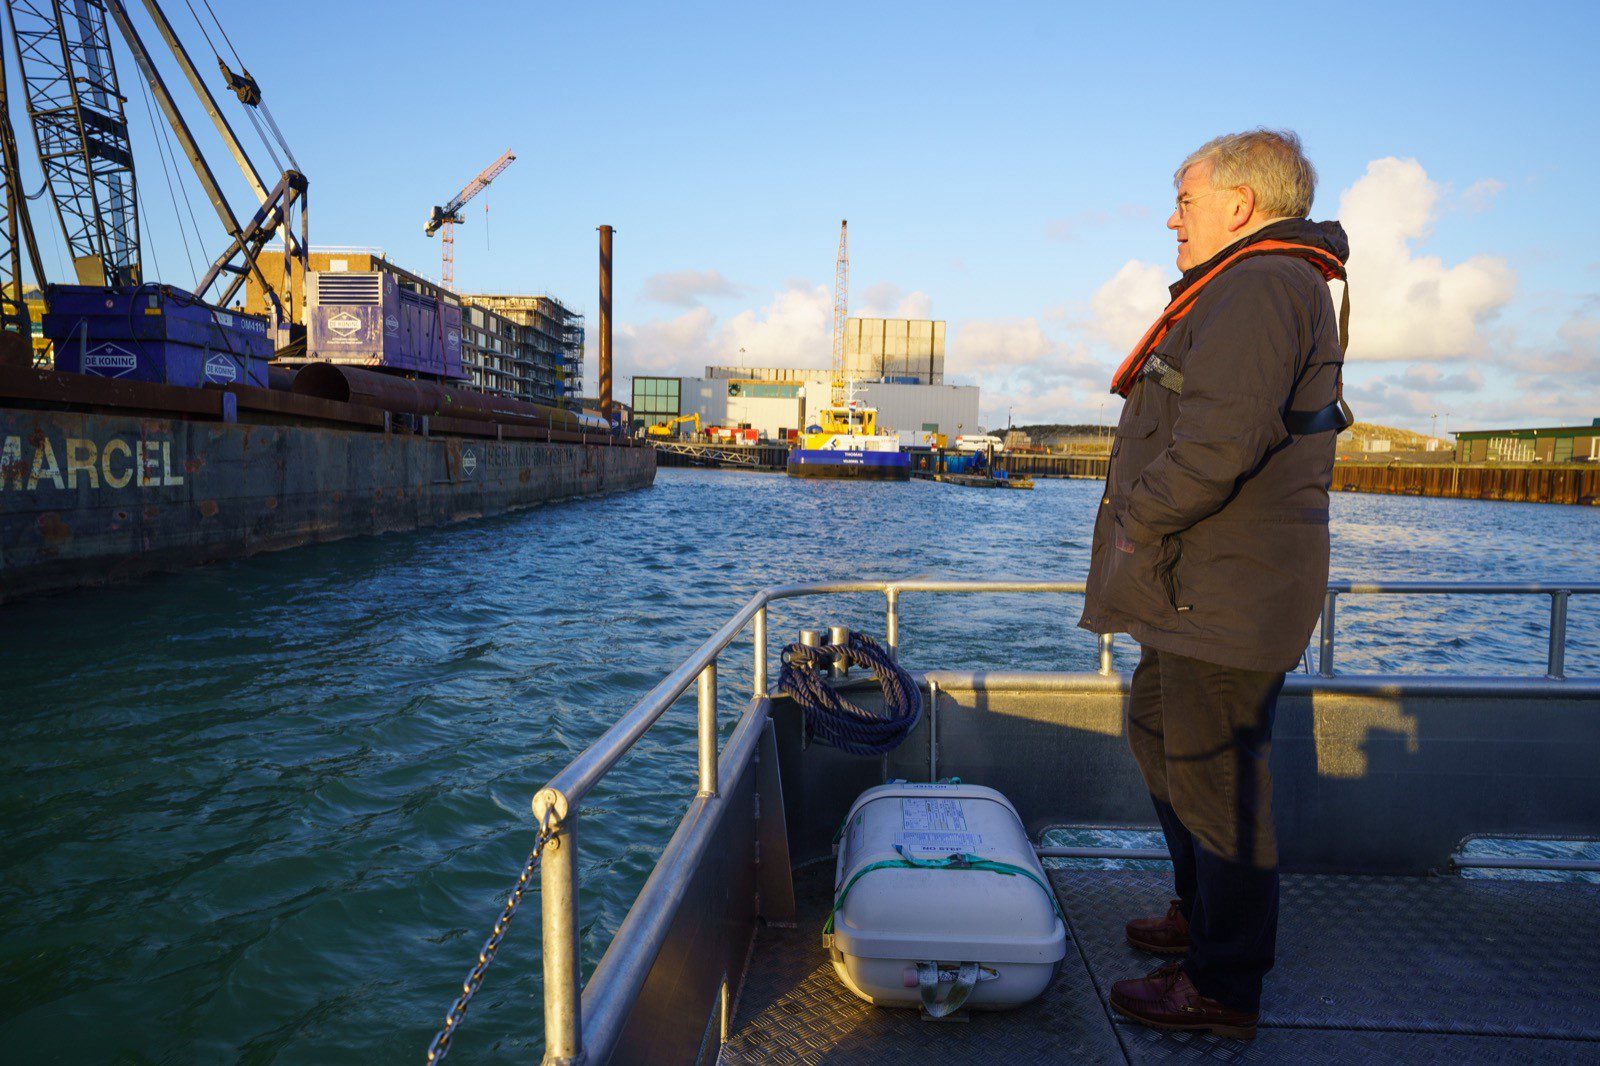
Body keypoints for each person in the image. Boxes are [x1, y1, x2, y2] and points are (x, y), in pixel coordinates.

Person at [1077, 128, 1351, 1040]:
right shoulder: (1256, 282)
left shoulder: (1262, 285)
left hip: (1227, 590)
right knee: (1161, 733)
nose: (1172, 219)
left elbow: (1218, 446)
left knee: (1215, 780)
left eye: (1185, 201)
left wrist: (1134, 524)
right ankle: (1202, 916)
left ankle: (1223, 986)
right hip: (1199, 586)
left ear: (1240, 204)